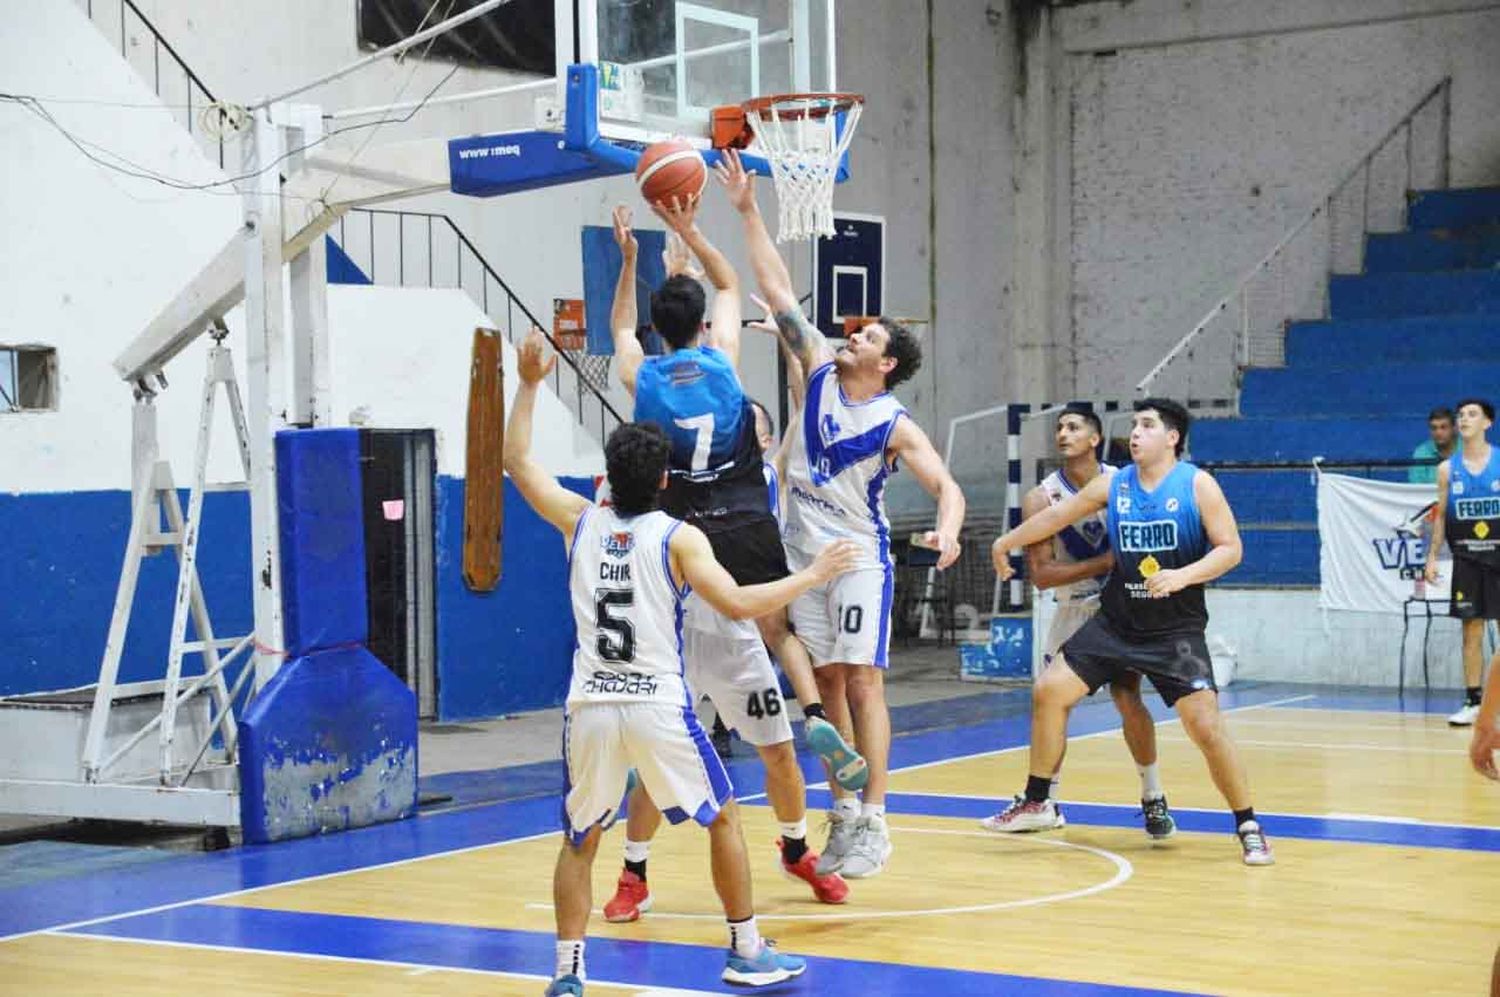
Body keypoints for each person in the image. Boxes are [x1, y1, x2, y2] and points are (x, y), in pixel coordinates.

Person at [504, 331, 862, 995]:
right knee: (721, 817)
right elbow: (738, 599)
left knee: (580, 838)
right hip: (656, 703)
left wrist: (528, 383)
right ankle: (746, 948)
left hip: (588, 705)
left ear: (607, 476)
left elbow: (517, 461)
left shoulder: (578, 520)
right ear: (666, 482)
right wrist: (810, 575)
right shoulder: (678, 536)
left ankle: (568, 973)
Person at [601, 200, 855, 921]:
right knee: (761, 699)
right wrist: (689, 231)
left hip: (688, 550)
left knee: (742, 746)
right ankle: (640, 870)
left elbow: (621, 326)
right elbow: (729, 281)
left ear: (656, 332)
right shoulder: (722, 362)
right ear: (707, 326)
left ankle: (789, 849)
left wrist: (628, 259)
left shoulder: (642, 378)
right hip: (731, 547)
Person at [724, 149, 968, 879]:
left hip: (858, 555)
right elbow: (776, 289)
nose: (853, 334)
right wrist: (746, 208)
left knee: (862, 681)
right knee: (826, 684)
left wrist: (949, 528)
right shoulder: (819, 369)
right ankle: (845, 812)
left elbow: (946, 486)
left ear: (887, 362)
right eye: (855, 332)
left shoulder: (896, 422)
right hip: (804, 552)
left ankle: (879, 818)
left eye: (868, 337)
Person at [991, 398, 1274, 866]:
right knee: (1049, 690)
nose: (1136, 434)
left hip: (1173, 631)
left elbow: (1231, 549)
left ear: (1173, 437)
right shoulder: (1114, 483)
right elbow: (1055, 517)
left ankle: (1248, 824)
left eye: (1147, 425)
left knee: (1205, 727)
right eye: (1134, 425)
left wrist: (1184, 576)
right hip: (1116, 622)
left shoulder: (1197, 484)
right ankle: (1038, 800)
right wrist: (1007, 540)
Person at [980, 405, 1175, 840]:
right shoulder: (1040, 498)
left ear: (1095, 438)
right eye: (1059, 428)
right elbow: (1043, 575)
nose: (1063, 434)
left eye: (1074, 428)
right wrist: (1107, 561)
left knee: (1128, 697)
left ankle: (1153, 795)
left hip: (1120, 608)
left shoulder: (1124, 483)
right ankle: (1043, 800)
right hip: (1070, 610)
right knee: (1052, 701)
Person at [1423, 398, 1500, 727]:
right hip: (1467, 559)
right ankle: (1473, 701)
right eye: (1462, 415)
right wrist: (1432, 557)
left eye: (1472, 414)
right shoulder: (1446, 470)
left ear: (1487, 423)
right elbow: (1440, 518)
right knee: (1471, 632)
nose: (1465, 419)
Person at [1410, 407, 1456, 485]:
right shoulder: (1421, 453)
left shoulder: (1467, 449)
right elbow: (1416, 488)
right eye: (1434, 428)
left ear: (1454, 429)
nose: (1438, 432)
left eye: (1443, 427)